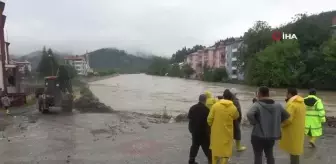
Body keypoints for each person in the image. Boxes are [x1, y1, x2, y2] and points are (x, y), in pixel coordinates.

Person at [247, 86, 290, 164]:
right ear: (268, 94)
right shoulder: (278, 105)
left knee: (258, 156)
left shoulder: (257, 104)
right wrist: (277, 122)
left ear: (259, 94)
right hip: (271, 135)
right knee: (269, 155)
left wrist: (254, 123)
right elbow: (287, 116)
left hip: (257, 135)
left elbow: (249, 114)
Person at [207, 90, 239, 164]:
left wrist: (212, 126)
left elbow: (209, 119)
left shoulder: (215, 106)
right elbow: (236, 116)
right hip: (227, 133)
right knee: (225, 153)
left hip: (216, 132)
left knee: (215, 152)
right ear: (231, 97)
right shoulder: (233, 108)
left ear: (223, 96)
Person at [279, 88, 306, 164]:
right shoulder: (301, 102)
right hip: (299, 129)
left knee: (294, 152)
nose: (285, 95)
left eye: (286, 93)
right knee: (295, 150)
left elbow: (288, 119)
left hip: (292, 131)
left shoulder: (292, 104)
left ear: (290, 94)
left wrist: (281, 125)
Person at [188, 94, 211, 164]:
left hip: (194, 131)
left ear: (199, 99)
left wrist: (191, 129)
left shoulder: (192, 108)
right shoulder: (207, 110)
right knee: (207, 147)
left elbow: (190, 118)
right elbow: (209, 121)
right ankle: (211, 160)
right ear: (205, 100)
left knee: (194, 146)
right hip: (203, 132)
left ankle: (191, 160)